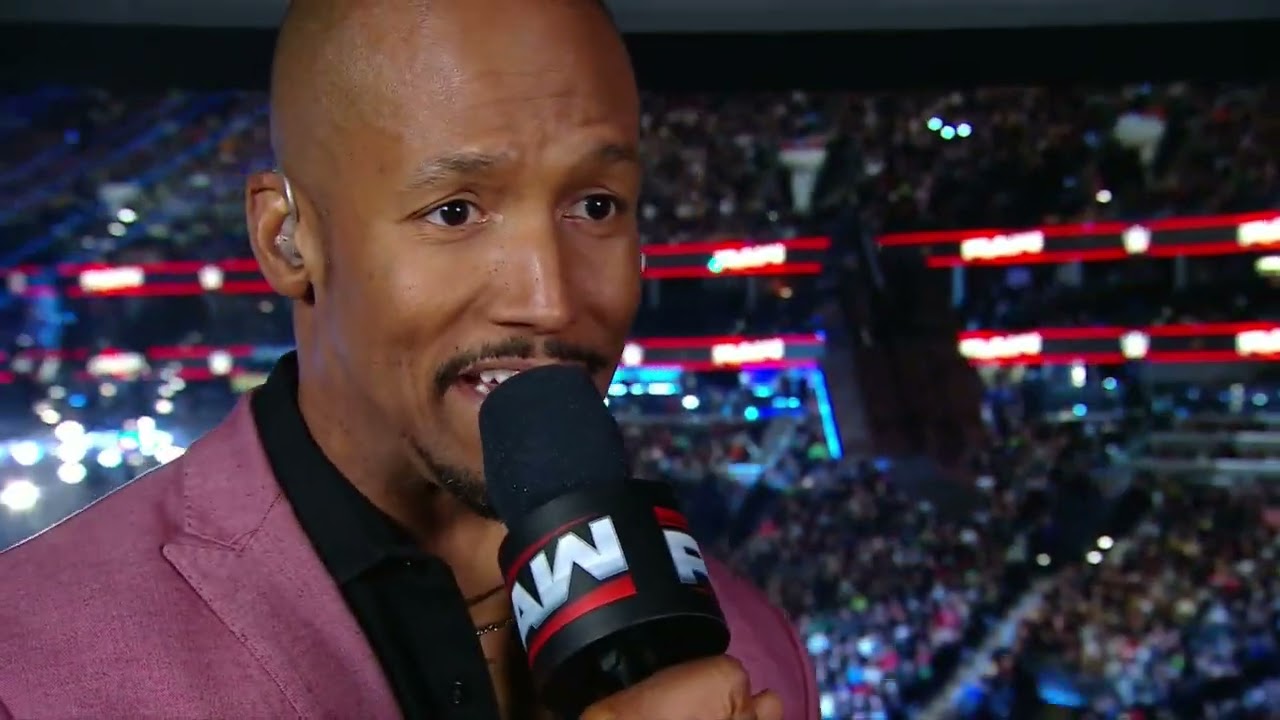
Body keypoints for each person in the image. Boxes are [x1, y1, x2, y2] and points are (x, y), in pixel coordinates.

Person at [0, 1, 818, 719]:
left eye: (595, 206)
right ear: (288, 239)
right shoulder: (28, 665)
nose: (550, 299)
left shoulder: (756, 655)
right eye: (455, 211)